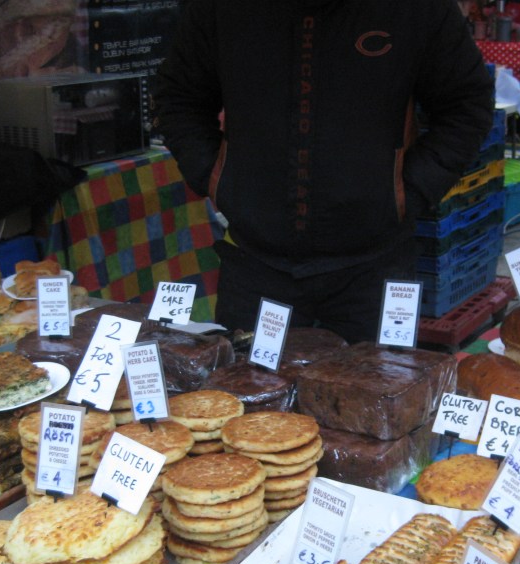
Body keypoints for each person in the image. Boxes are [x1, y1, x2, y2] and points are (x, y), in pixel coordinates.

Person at [154, 0, 496, 343]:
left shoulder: (417, 9)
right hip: (257, 263)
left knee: (385, 393)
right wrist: (216, 179)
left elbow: (466, 104)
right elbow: (180, 96)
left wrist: (410, 191)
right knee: (251, 393)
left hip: (375, 266)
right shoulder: (219, 8)